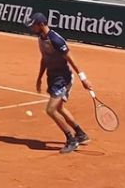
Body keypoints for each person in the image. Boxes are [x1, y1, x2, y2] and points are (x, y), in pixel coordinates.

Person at [29, 13, 93, 154]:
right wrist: (39, 78)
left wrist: (83, 78)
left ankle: (71, 139)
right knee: (59, 108)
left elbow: (71, 59)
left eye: (33, 25)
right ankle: (80, 134)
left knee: (51, 109)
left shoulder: (56, 40)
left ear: (41, 24)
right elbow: (44, 59)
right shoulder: (41, 38)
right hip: (52, 77)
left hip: (63, 78)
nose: (32, 28)